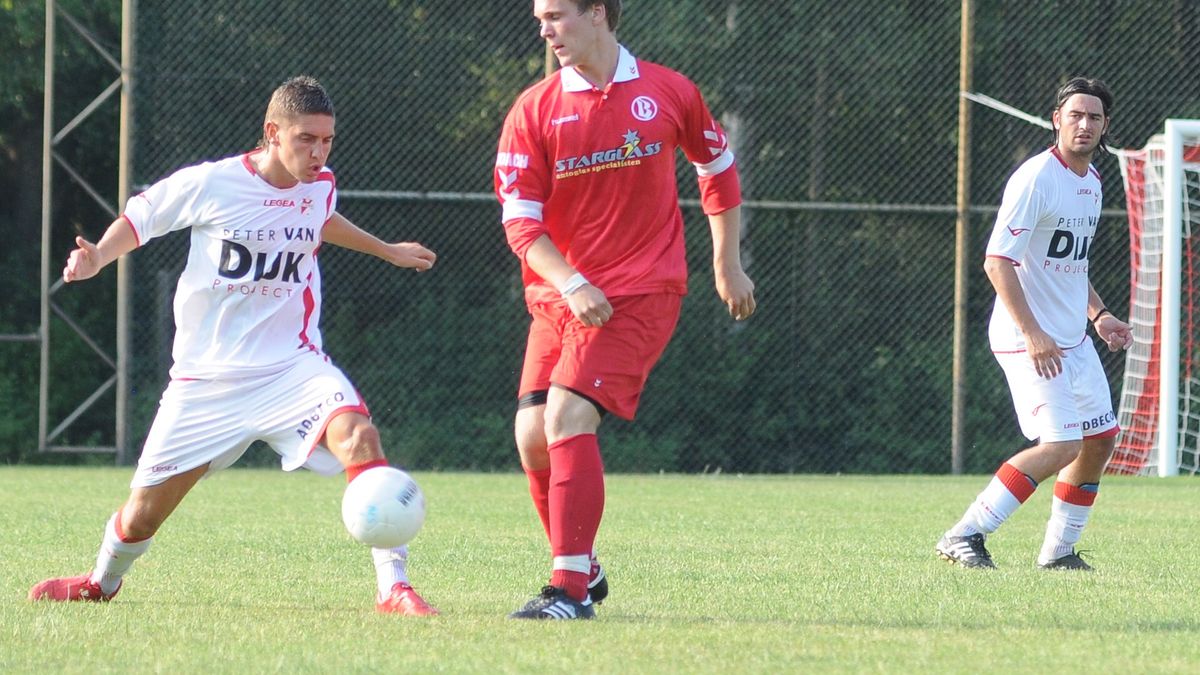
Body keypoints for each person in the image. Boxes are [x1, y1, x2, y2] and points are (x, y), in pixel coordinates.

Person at [28, 76, 441, 616]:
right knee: (142, 517)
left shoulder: (319, 184)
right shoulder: (214, 183)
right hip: (206, 382)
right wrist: (99, 256)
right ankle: (101, 582)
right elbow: (142, 219)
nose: (318, 153)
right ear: (272, 133)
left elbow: (318, 217)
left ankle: (394, 587)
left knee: (360, 434)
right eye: (306, 139)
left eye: (327, 141)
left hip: (291, 369)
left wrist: (385, 250)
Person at [494, 0, 756, 620]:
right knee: (531, 437)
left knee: (565, 418)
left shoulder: (669, 91)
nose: (545, 28)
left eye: (557, 15)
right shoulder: (533, 109)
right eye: (540, 17)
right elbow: (520, 222)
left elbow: (716, 167)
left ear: (599, 13)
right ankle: (581, 562)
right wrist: (572, 281)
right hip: (561, 297)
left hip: (641, 292)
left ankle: (569, 592)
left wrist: (728, 263)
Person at [937, 77, 1133, 571]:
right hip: (1026, 339)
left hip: (1071, 338)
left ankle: (1059, 552)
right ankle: (964, 534)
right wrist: (1032, 333)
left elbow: (1070, 265)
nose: (1084, 124)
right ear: (1056, 120)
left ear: (1105, 125)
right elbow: (997, 261)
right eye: (1075, 115)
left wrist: (1100, 315)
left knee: (1100, 438)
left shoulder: (1091, 184)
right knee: (1062, 443)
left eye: (1094, 117)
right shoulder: (1036, 178)